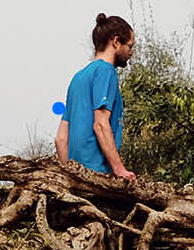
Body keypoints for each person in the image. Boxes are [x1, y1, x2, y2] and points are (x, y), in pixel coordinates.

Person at [55, 13, 136, 180]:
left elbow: (61, 139)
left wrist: (71, 177)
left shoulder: (78, 78)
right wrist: (119, 170)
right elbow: (100, 124)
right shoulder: (106, 71)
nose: (131, 53)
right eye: (130, 46)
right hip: (98, 175)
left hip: (76, 177)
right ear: (116, 42)